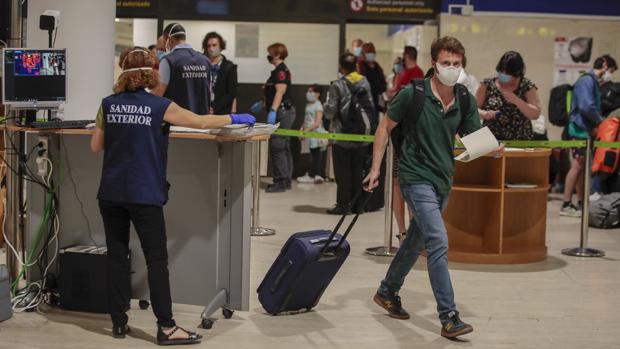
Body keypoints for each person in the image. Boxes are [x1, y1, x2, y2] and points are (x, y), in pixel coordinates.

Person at [90, 47, 254, 345]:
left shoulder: (107, 104)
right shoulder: (160, 105)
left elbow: (95, 146)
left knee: (117, 255)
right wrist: (237, 117)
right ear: (150, 73)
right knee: (156, 259)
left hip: (111, 192)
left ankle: (117, 323)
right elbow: (202, 122)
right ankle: (166, 327)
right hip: (144, 193)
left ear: (122, 71)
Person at [363, 36, 504, 339]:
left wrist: (491, 148)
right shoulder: (412, 93)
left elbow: (472, 135)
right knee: (438, 241)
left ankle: (387, 290)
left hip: (443, 180)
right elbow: (385, 127)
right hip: (414, 177)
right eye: (446, 63)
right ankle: (449, 316)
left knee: (415, 239)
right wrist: (376, 168)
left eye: (456, 64)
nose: (451, 68)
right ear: (434, 64)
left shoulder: (464, 98)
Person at [561, 54, 618, 217]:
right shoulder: (587, 80)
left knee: (582, 167)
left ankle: (580, 202)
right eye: (611, 70)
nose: (610, 74)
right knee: (577, 166)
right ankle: (566, 203)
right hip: (579, 130)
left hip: (584, 130)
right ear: (605, 65)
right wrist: (600, 122)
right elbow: (587, 106)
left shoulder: (590, 81)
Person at [324, 53, 374, 215]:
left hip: (341, 135)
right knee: (358, 170)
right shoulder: (365, 82)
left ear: (341, 67)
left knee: (342, 172)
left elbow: (330, 112)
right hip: (362, 135)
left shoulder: (337, 85)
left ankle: (343, 205)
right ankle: (358, 205)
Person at [476, 51, 542, 141]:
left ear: (517, 74)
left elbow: (535, 114)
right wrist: (485, 114)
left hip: (521, 140)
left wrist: (517, 101)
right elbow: (472, 110)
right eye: (501, 72)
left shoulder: (527, 86)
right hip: (491, 140)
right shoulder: (487, 84)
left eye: (507, 74)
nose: (503, 76)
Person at [259, 43, 295, 193]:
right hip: (283, 110)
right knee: (284, 146)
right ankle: (285, 179)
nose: (268, 56)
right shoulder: (279, 71)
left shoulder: (280, 71)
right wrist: (263, 103)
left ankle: (280, 181)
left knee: (278, 146)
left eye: (270, 53)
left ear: (277, 54)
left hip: (282, 112)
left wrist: (273, 110)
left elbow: (280, 91)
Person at [152, 23, 210, 115]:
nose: (164, 47)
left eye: (164, 42)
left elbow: (158, 94)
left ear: (169, 39)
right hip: (202, 121)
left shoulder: (169, 61)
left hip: (178, 121)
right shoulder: (205, 60)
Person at [202, 31, 238, 114]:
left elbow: (231, 93)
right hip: (202, 110)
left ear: (221, 46)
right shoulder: (201, 64)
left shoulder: (229, 67)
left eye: (214, 45)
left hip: (221, 111)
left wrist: (214, 108)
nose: (211, 48)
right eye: (209, 46)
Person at [298, 84, 327, 184]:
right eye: (308, 91)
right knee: (312, 154)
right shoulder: (308, 104)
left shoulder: (318, 105)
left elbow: (317, 123)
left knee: (316, 154)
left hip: (316, 133)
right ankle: (314, 174)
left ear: (318, 94)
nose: (309, 93)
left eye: (311, 91)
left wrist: (306, 130)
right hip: (309, 133)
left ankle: (315, 175)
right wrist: (302, 129)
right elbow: (306, 119)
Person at [358, 42, 387, 113]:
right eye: (368, 52)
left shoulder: (377, 67)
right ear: (363, 54)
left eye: (372, 52)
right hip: (364, 102)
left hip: (376, 101)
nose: (371, 54)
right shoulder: (360, 66)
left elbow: (382, 82)